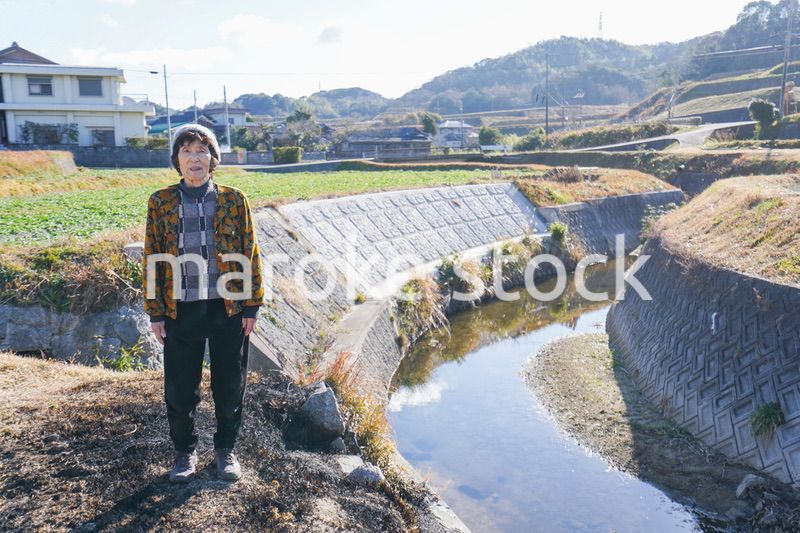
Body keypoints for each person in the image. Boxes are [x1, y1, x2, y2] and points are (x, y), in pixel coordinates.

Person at [142, 124, 265, 483]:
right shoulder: (161, 202)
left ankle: (226, 450)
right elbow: (152, 256)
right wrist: (156, 312)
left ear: (213, 159)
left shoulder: (234, 200)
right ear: (176, 160)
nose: (194, 158)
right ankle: (185, 452)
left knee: (230, 385)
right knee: (181, 388)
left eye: (201, 151)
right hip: (180, 307)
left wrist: (252, 305)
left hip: (228, 308)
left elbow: (250, 251)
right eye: (186, 151)